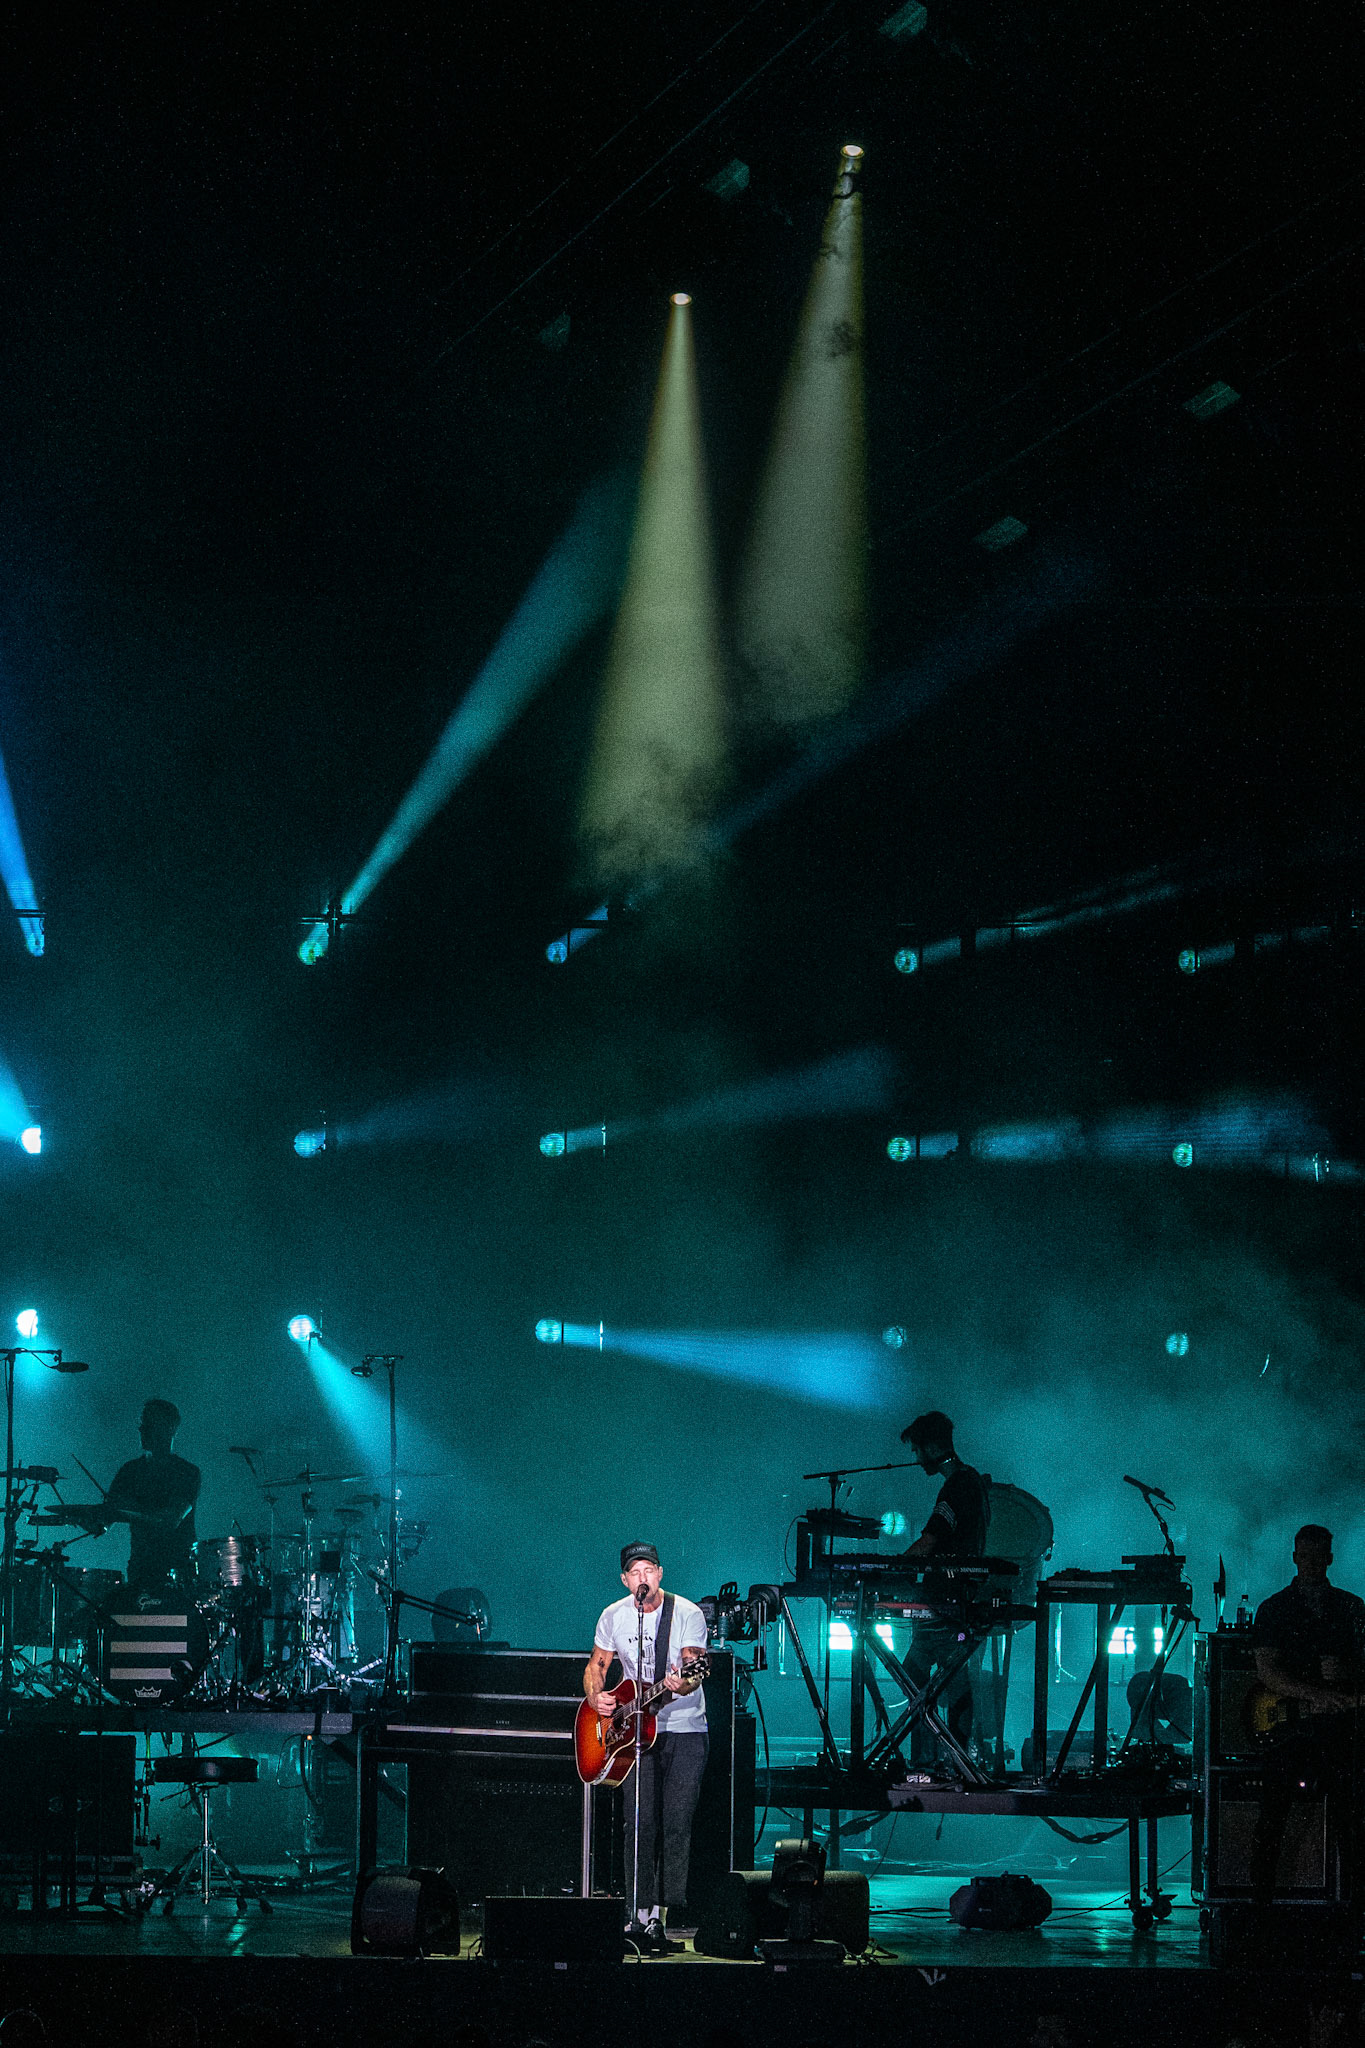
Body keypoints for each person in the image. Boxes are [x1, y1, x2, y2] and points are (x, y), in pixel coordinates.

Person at [584, 1542, 708, 1955]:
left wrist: (682, 1682)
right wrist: (597, 1697)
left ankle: (663, 1917)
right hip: (635, 1731)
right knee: (638, 1822)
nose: (643, 1578)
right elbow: (597, 1665)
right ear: (625, 1579)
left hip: (684, 1729)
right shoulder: (613, 1615)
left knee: (676, 1821)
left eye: (649, 1570)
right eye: (635, 1572)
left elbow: (693, 1668)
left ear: (660, 1574)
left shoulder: (686, 1613)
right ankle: (636, 1913)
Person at [1249, 1524, 1365, 1906]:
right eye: (1305, 1556)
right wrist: (1317, 1694)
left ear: (1329, 1559)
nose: (1312, 1563)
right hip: (1289, 1731)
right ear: (1295, 1558)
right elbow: (1267, 1672)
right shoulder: (1274, 1609)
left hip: (1339, 1733)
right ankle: (1261, 1908)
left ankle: (1352, 1909)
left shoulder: (1351, 1609)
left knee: (1352, 1821)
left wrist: (1344, 1682)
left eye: (1319, 1557)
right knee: (1272, 1819)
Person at [897, 1410, 991, 1765]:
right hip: (955, 1598)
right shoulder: (973, 1481)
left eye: (918, 1450)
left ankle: (939, 1757)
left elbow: (931, 1539)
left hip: (943, 1603)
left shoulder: (956, 1486)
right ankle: (949, 1756)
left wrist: (895, 1568)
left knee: (922, 1675)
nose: (916, 1458)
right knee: (942, 1677)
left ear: (934, 1447)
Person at [91, 1398, 202, 1597]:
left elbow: (171, 1519)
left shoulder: (187, 1472)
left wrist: (127, 1507)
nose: (141, 1428)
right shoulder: (129, 1470)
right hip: (140, 1569)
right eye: (142, 1423)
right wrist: (87, 1519)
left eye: (148, 1423)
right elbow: (106, 1520)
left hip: (179, 1571)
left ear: (170, 1428)